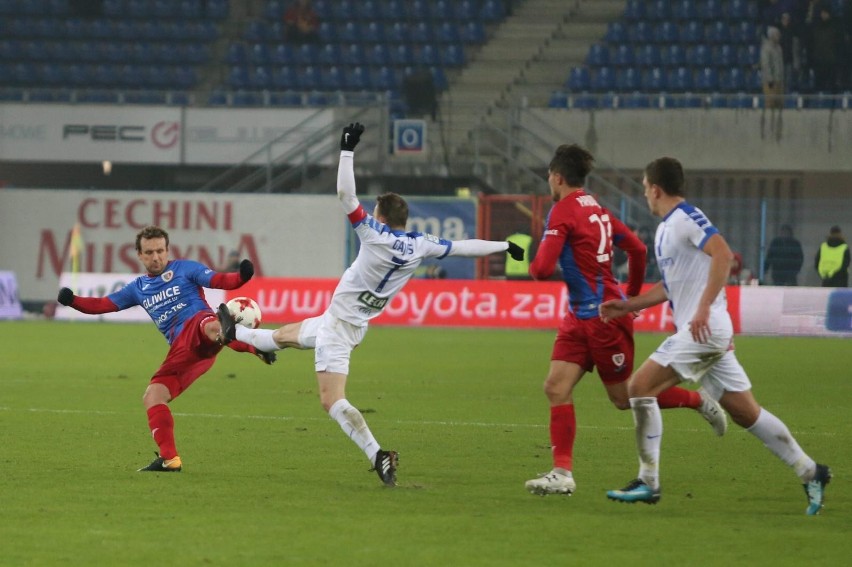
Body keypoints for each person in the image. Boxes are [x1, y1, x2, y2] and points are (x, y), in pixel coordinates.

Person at [218, 123, 525, 487]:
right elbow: (463, 246)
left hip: (339, 328)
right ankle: (235, 331)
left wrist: (346, 149)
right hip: (351, 322)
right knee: (283, 336)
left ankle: (377, 454)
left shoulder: (372, 233)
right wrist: (505, 246)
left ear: (380, 216)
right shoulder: (420, 244)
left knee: (331, 401)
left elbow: (345, 196)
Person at [600, 157, 831, 515]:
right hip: (705, 331)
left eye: (645, 187)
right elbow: (670, 286)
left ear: (655, 189)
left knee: (638, 388)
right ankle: (811, 471)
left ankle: (648, 481)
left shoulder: (687, 217)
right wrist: (628, 305)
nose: (645, 193)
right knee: (745, 413)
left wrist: (705, 307)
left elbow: (723, 253)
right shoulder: (666, 230)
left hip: (703, 329)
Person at [521, 145, 728, 497]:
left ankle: (699, 401)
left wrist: (624, 302)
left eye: (549, 179)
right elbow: (637, 248)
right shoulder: (598, 209)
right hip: (579, 316)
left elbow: (540, 270)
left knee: (624, 397)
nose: (549, 184)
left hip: (602, 319)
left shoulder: (562, 211)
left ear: (557, 178)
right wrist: (629, 297)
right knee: (555, 386)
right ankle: (562, 473)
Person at [57, 226, 275, 472]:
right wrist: (72, 301)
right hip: (184, 353)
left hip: (199, 327)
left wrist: (241, 278)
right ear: (139, 255)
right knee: (153, 396)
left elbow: (217, 279)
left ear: (167, 250)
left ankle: (251, 345)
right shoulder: (137, 289)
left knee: (209, 324)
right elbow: (102, 305)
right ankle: (170, 459)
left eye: (160, 251)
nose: (156, 257)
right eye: (149, 252)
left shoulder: (185, 269)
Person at [761, 26, 784, 109]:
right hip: (770, 82)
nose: (779, 36)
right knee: (770, 103)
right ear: (771, 36)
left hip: (779, 80)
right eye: (777, 34)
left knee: (779, 104)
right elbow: (766, 65)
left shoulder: (779, 48)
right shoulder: (766, 48)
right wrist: (770, 80)